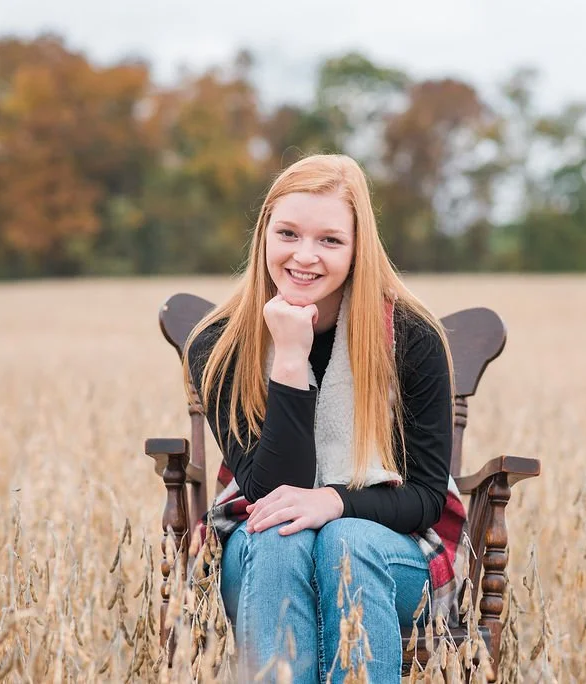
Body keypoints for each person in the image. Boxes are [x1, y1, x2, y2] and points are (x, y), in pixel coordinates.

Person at [183, 153, 468, 683]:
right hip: (262, 547)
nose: (304, 257)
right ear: (264, 235)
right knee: (279, 534)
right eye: (288, 233)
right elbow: (271, 493)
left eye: (330, 240)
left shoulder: (411, 338)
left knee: (346, 541)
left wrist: (334, 502)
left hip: (387, 547)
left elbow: (427, 497)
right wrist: (289, 359)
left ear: (359, 249)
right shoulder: (220, 344)